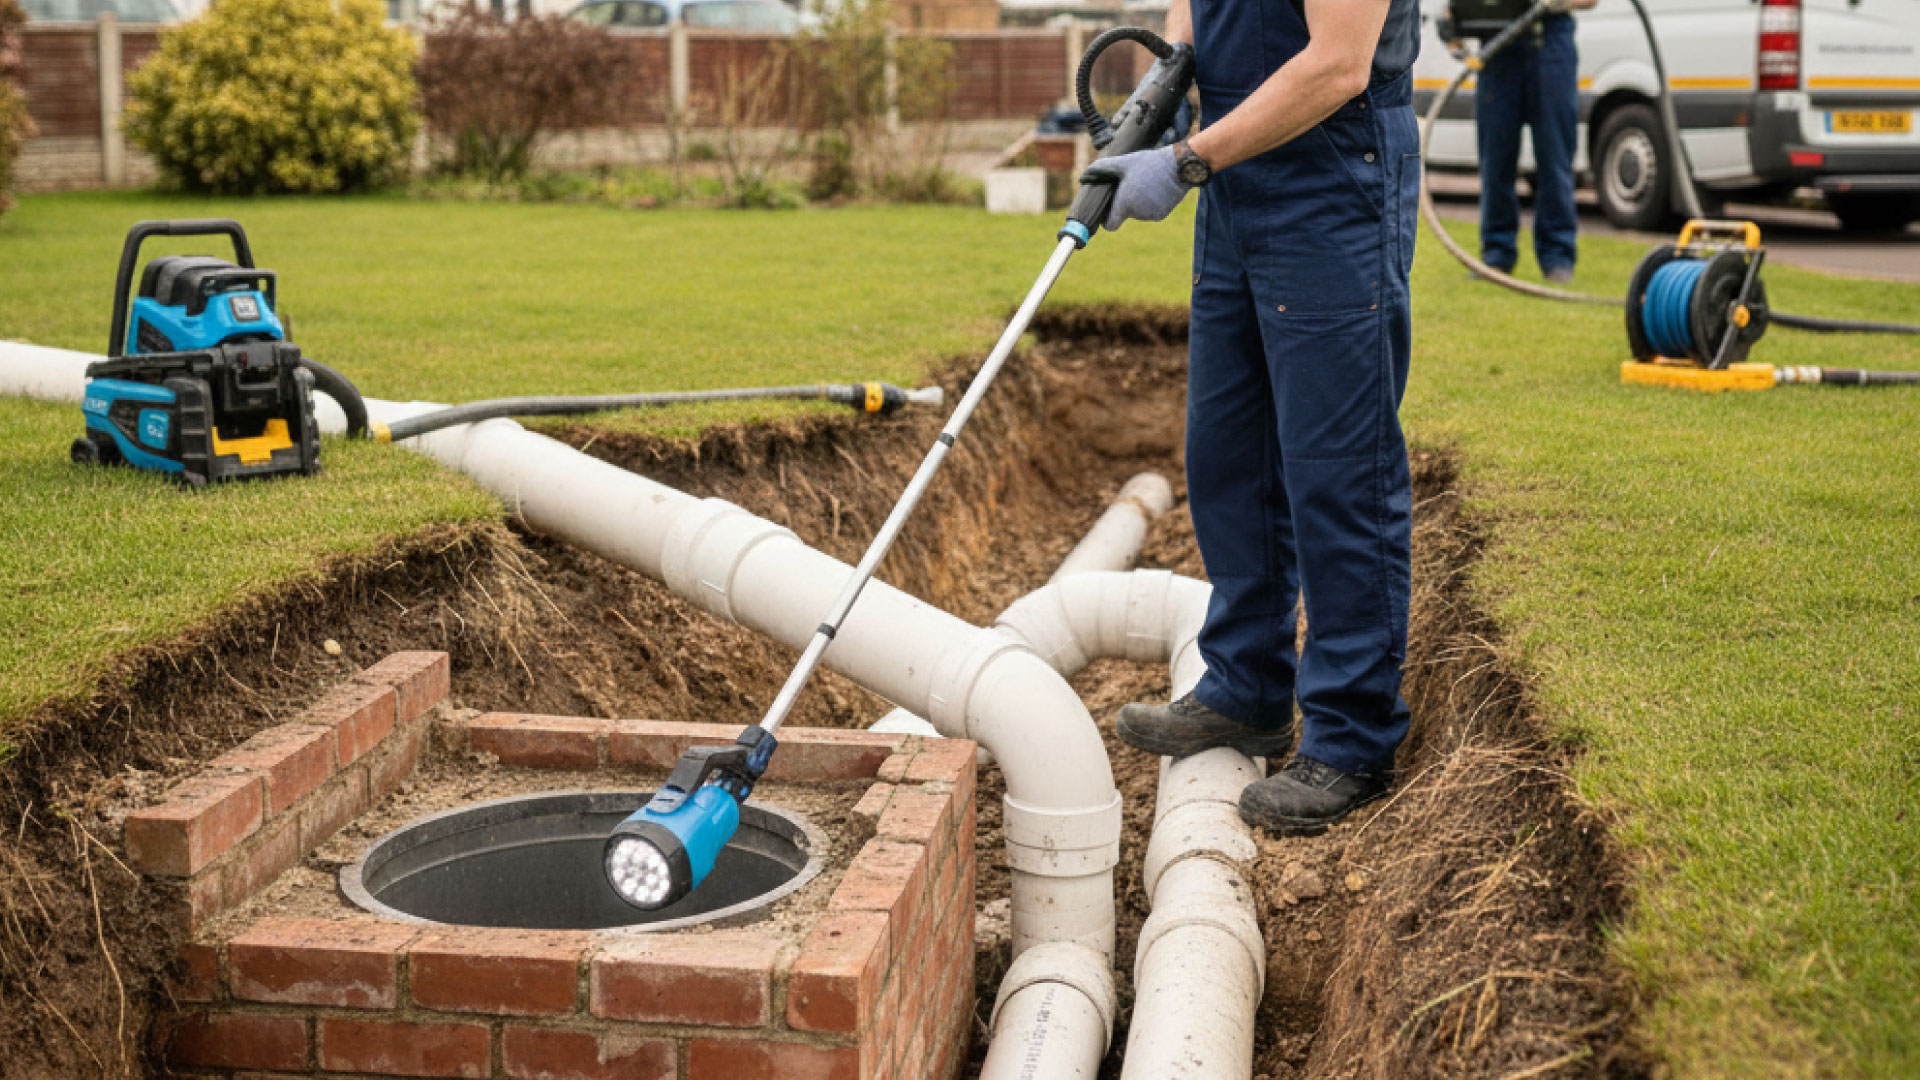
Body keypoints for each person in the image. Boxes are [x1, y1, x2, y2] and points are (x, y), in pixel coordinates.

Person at [1078, 0, 1421, 835]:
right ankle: (1247, 684)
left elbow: (1339, 64)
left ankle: (1350, 735)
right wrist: (1171, 74)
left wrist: (1187, 160)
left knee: (1338, 468)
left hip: (1331, 177)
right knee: (1230, 452)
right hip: (1239, 179)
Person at [1474, 0, 1596, 283]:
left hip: (1550, 41)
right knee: (1495, 160)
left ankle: (1558, 257)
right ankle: (1496, 255)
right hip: (1498, 45)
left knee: (1555, 160)